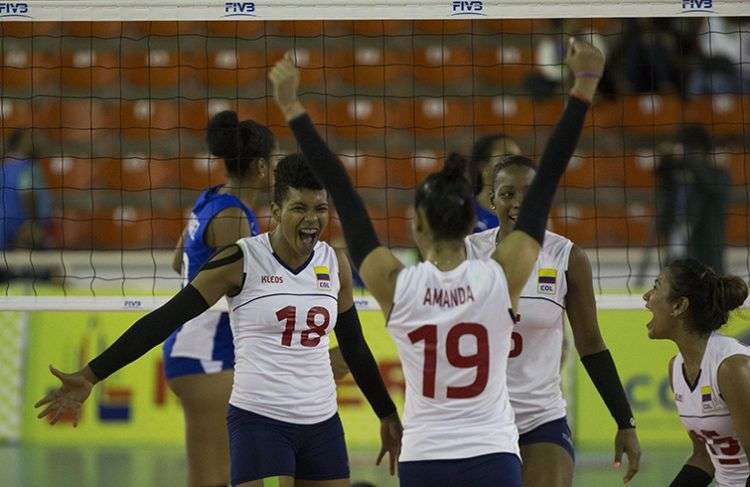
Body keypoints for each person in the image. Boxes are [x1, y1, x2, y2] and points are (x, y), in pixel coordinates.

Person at [270, 36, 603, 486]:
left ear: (418, 227)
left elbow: (343, 192)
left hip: (425, 457)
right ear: (472, 222)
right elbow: (545, 182)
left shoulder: (396, 284)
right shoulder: (501, 276)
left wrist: (292, 107)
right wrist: (583, 86)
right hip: (492, 454)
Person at [35, 154, 401, 487]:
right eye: (298, 208)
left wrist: (386, 413)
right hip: (258, 419)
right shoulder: (241, 259)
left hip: (321, 422)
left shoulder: (333, 263)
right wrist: (91, 375)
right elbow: (165, 319)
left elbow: (354, 345)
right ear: (274, 210)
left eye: (320, 208)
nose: (311, 220)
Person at [465, 154, 641, 486]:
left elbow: (591, 344)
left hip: (539, 417)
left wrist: (625, 421)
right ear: (492, 200)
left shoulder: (567, 257)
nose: (519, 202)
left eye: (529, 193)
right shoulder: (468, 253)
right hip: (478, 416)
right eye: (507, 194)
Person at [643, 259, 750, 486]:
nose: (646, 297)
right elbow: (704, 457)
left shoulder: (732, 368)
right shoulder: (676, 368)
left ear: (679, 306)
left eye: (656, 286)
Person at [0, 128, 52, 251]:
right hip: (23, 232)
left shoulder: (4, 167)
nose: (39, 142)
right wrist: (32, 223)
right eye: (33, 138)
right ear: (22, 143)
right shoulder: (26, 167)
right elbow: (27, 192)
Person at [468, 133, 522, 233]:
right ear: (483, 167)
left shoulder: (531, 216)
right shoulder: (464, 215)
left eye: (520, 159)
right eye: (508, 158)